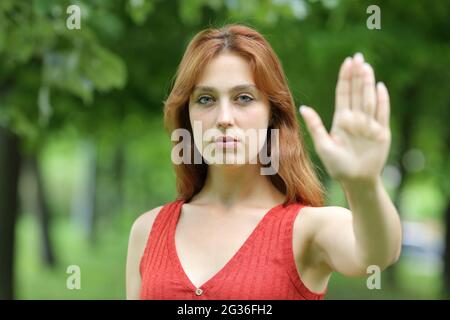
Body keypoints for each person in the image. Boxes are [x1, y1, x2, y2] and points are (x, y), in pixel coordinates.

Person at [126, 24, 402, 300]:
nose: (224, 117)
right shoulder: (147, 231)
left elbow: (376, 255)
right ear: (188, 116)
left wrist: (363, 183)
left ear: (273, 114)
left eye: (243, 98)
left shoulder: (307, 229)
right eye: (206, 99)